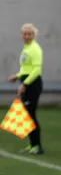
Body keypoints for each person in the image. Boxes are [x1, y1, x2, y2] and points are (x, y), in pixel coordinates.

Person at [7, 23, 44, 155]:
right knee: (27, 115)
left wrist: (25, 84)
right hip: (27, 83)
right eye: (25, 34)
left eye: (30, 34)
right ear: (22, 35)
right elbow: (26, 68)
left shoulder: (35, 49)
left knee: (30, 114)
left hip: (33, 84)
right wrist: (17, 76)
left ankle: (37, 146)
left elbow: (36, 70)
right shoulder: (26, 48)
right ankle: (32, 144)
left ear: (34, 35)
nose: (27, 36)